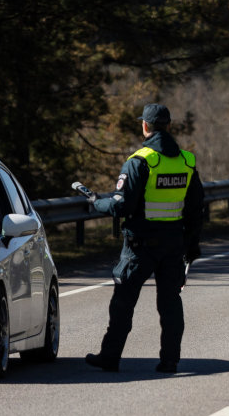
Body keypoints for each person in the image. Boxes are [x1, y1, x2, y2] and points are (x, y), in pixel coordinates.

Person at [85, 103, 204, 373]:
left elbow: (122, 206)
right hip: (174, 245)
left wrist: (96, 202)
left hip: (140, 246)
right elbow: (196, 208)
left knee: (123, 303)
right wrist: (192, 244)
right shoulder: (187, 160)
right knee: (170, 304)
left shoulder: (139, 161)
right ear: (169, 126)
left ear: (145, 126)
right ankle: (170, 361)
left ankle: (110, 357)